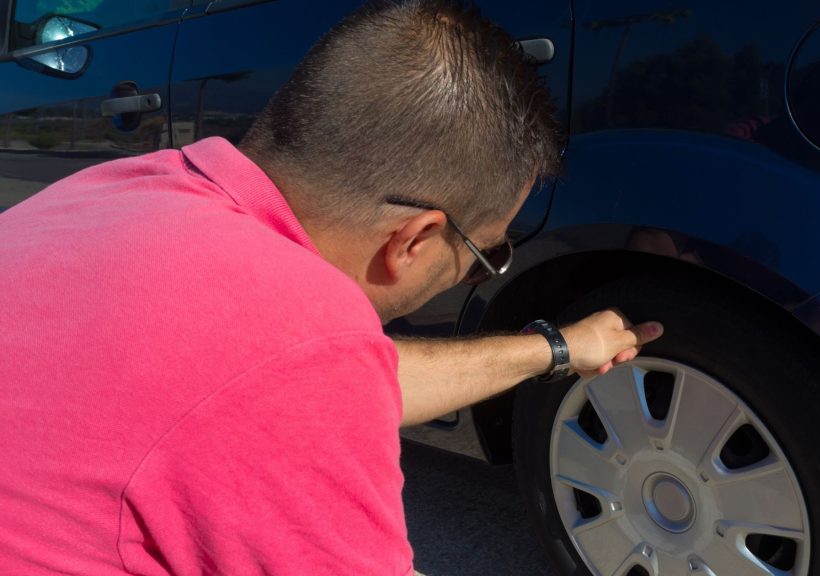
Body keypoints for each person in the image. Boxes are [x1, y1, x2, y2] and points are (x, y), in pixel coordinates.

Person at [0, 1, 662, 574]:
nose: (478, 268)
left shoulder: (129, 188)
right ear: (414, 240)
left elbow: (325, 376)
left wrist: (554, 348)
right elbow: (306, 376)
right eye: (485, 252)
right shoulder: (295, 348)